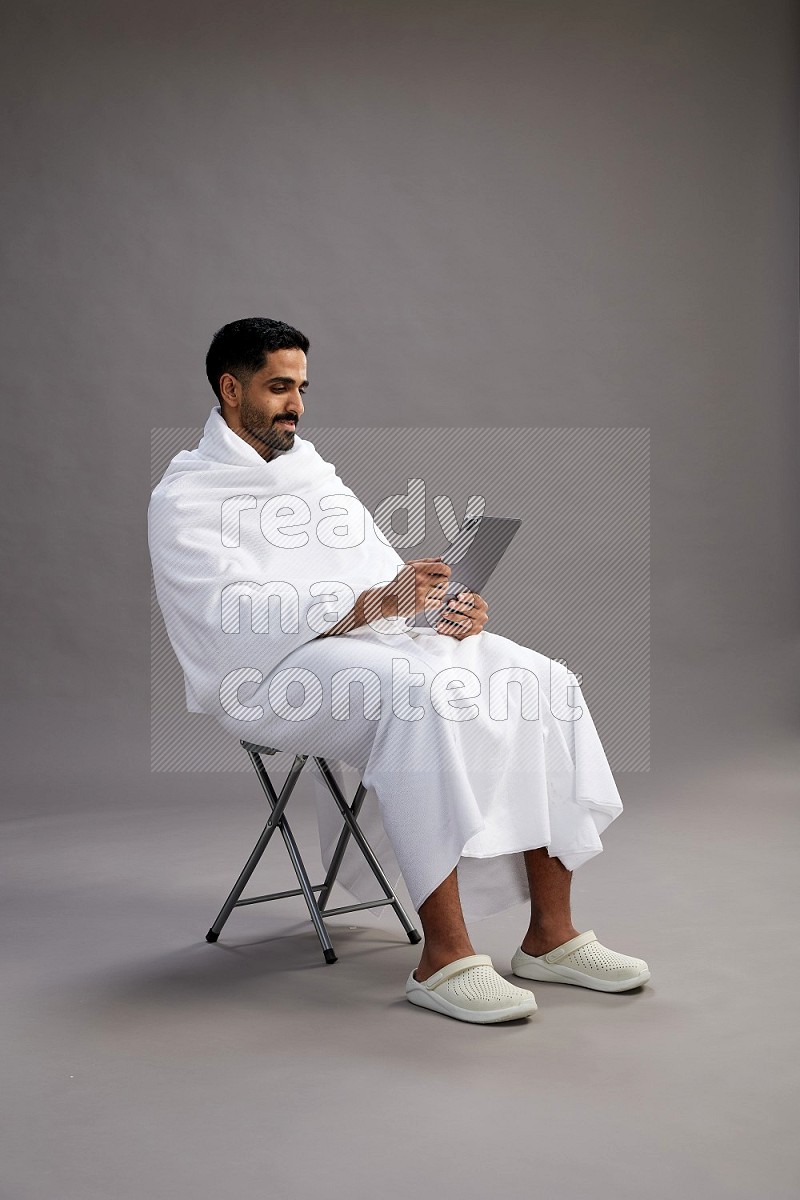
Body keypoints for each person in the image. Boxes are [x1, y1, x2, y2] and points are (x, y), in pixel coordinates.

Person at [148, 317, 650, 1025]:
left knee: (541, 679)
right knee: (415, 694)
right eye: (279, 387)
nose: (296, 403)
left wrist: (440, 606)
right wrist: (365, 604)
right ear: (231, 389)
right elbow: (228, 617)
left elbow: (376, 577)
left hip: (357, 640)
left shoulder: (310, 471)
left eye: (302, 388)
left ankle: (550, 938)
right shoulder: (185, 497)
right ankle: (443, 958)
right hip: (266, 676)